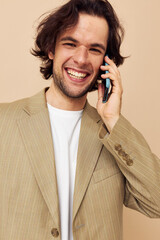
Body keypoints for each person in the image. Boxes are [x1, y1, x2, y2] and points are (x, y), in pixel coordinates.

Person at [0, 0, 160, 239]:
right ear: (51, 48)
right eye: (70, 43)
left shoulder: (112, 135)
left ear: (106, 63)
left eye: (95, 49)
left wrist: (113, 120)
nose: (82, 59)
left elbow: (156, 202)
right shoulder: (5, 121)